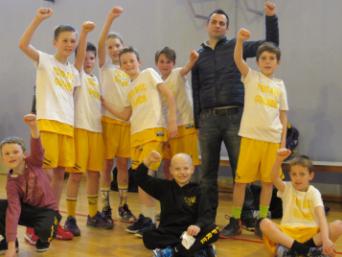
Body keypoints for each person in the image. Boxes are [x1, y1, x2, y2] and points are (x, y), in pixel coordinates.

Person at [191, 1, 280, 227]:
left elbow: (271, 45)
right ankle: (207, 218)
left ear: (227, 28)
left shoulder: (235, 46)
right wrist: (197, 120)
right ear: (207, 25)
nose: (218, 25)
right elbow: (196, 87)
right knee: (207, 174)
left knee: (242, 172)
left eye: (222, 23)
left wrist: (271, 17)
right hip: (207, 119)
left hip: (235, 117)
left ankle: (246, 215)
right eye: (214, 22)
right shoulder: (198, 54)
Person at [101, 47, 177, 236]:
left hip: (153, 130)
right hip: (136, 135)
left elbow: (168, 94)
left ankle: (150, 222)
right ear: (120, 67)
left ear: (139, 62)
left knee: (147, 177)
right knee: (140, 178)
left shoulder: (149, 74)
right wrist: (104, 102)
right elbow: (125, 115)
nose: (128, 65)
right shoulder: (129, 87)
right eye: (124, 62)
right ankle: (146, 217)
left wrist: (172, 121)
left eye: (131, 61)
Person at [220, 28, 288, 238]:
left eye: (272, 58)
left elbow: (283, 117)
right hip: (250, 138)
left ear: (277, 62)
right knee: (241, 182)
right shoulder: (251, 77)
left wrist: (282, 143)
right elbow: (238, 59)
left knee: (268, 183)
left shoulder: (280, 85)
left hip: (272, 141)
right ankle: (235, 219)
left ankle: (262, 219)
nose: (268, 61)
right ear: (258, 61)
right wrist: (239, 40)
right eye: (264, 58)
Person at [18, 7, 79, 240]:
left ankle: (51, 219)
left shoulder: (72, 71)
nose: (69, 44)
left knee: (60, 174)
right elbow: (23, 45)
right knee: (42, 175)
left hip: (66, 126)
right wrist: (37, 19)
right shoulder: (45, 60)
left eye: (72, 41)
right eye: (65, 40)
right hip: (49, 123)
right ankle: (33, 225)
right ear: (55, 42)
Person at [63, 22, 113, 236]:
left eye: (92, 58)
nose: (89, 61)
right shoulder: (77, 75)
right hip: (79, 130)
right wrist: (84, 35)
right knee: (75, 176)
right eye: (85, 57)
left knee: (94, 174)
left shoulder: (95, 80)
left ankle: (93, 215)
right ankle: (71, 218)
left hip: (96, 132)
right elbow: (80, 57)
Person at [135, 150, 219, 257]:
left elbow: (206, 215)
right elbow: (140, 178)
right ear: (171, 170)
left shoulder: (199, 190)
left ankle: (174, 251)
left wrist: (197, 225)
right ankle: (199, 249)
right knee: (148, 236)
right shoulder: (164, 187)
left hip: (190, 233)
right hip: (170, 233)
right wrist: (147, 161)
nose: (182, 172)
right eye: (177, 169)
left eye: (186, 168)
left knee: (214, 230)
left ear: (192, 169)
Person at [260, 149, 342, 257]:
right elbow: (274, 177)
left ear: (311, 175)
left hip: (311, 235)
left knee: (338, 225)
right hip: (288, 235)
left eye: (302, 174)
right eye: (294, 174)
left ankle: (292, 251)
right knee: (264, 223)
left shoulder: (314, 192)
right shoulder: (287, 188)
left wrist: (326, 240)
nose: (297, 178)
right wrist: (278, 159)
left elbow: (322, 217)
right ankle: (308, 251)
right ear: (290, 175)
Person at [0, 114, 60, 256]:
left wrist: (34, 128)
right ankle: (12, 242)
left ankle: (43, 239)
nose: (11, 156)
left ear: (23, 154)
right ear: (2, 159)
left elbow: (37, 148)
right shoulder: (11, 183)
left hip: (47, 211)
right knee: (3, 208)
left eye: (15, 152)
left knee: (46, 230)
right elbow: (14, 211)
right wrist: (10, 247)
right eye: (6, 154)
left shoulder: (34, 162)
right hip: (27, 211)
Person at [98, 6, 135, 224]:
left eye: (117, 45)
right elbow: (100, 42)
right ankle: (105, 207)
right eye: (110, 46)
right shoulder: (105, 67)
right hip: (108, 122)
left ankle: (123, 205)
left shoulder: (129, 70)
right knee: (106, 166)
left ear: (123, 47)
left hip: (126, 124)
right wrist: (109, 19)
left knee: (123, 166)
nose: (113, 49)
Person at [154, 47, 200, 179]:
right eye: (161, 61)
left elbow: (187, 68)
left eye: (168, 61)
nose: (165, 65)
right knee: (169, 163)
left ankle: (189, 195)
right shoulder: (157, 82)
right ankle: (171, 195)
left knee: (187, 164)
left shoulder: (178, 73)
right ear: (157, 63)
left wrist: (192, 59)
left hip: (185, 124)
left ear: (173, 63)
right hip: (168, 129)